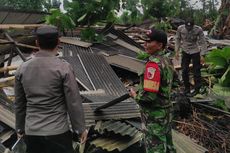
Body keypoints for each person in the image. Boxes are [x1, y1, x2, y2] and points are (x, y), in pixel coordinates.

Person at [14, 25, 88, 153]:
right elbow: (73, 102)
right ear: (58, 42)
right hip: (58, 133)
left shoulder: (22, 68)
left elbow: (19, 104)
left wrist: (20, 128)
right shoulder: (63, 68)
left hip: (32, 133)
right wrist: (80, 129)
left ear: (37, 43)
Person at [130, 29, 176, 153]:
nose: (145, 44)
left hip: (154, 116)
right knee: (168, 145)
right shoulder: (167, 61)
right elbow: (175, 82)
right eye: (145, 41)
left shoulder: (153, 65)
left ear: (160, 45)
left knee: (155, 148)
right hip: (166, 112)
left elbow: (149, 97)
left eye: (149, 41)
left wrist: (135, 95)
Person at [175, 18, 207, 96]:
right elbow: (177, 39)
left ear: (193, 25)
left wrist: (202, 55)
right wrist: (176, 51)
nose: (189, 29)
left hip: (195, 51)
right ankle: (187, 89)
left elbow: (203, 42)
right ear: (185, 25)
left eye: (190, 27)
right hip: (185, 50)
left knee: (196, 71)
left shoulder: (198, 29)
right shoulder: (180, 28)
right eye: (187, 27)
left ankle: (197, 89)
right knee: (184, 70)